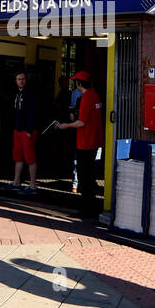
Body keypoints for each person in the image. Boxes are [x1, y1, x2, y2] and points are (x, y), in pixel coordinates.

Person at [59, 70, 103, 217]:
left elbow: (81, 122)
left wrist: (65, 125)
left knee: (84, 177)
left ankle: (86, 210)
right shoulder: (95, 95)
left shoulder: (86, 97)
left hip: (86, 142)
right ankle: (92, 207)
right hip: (95, 141)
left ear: (78, 83)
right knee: (90, 176)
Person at [3, 71, 39, 194]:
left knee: (30, 159)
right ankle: (16, 182)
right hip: (17, 131)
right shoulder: (17, 94)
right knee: (18, 157)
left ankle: (33, 186)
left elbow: (33, 112)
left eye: (23, 79)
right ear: (16, 81)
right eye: (19, 79)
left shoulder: (30, 94)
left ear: (26, 80)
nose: (21, 81)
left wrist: (29, 130)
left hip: (27, 131)